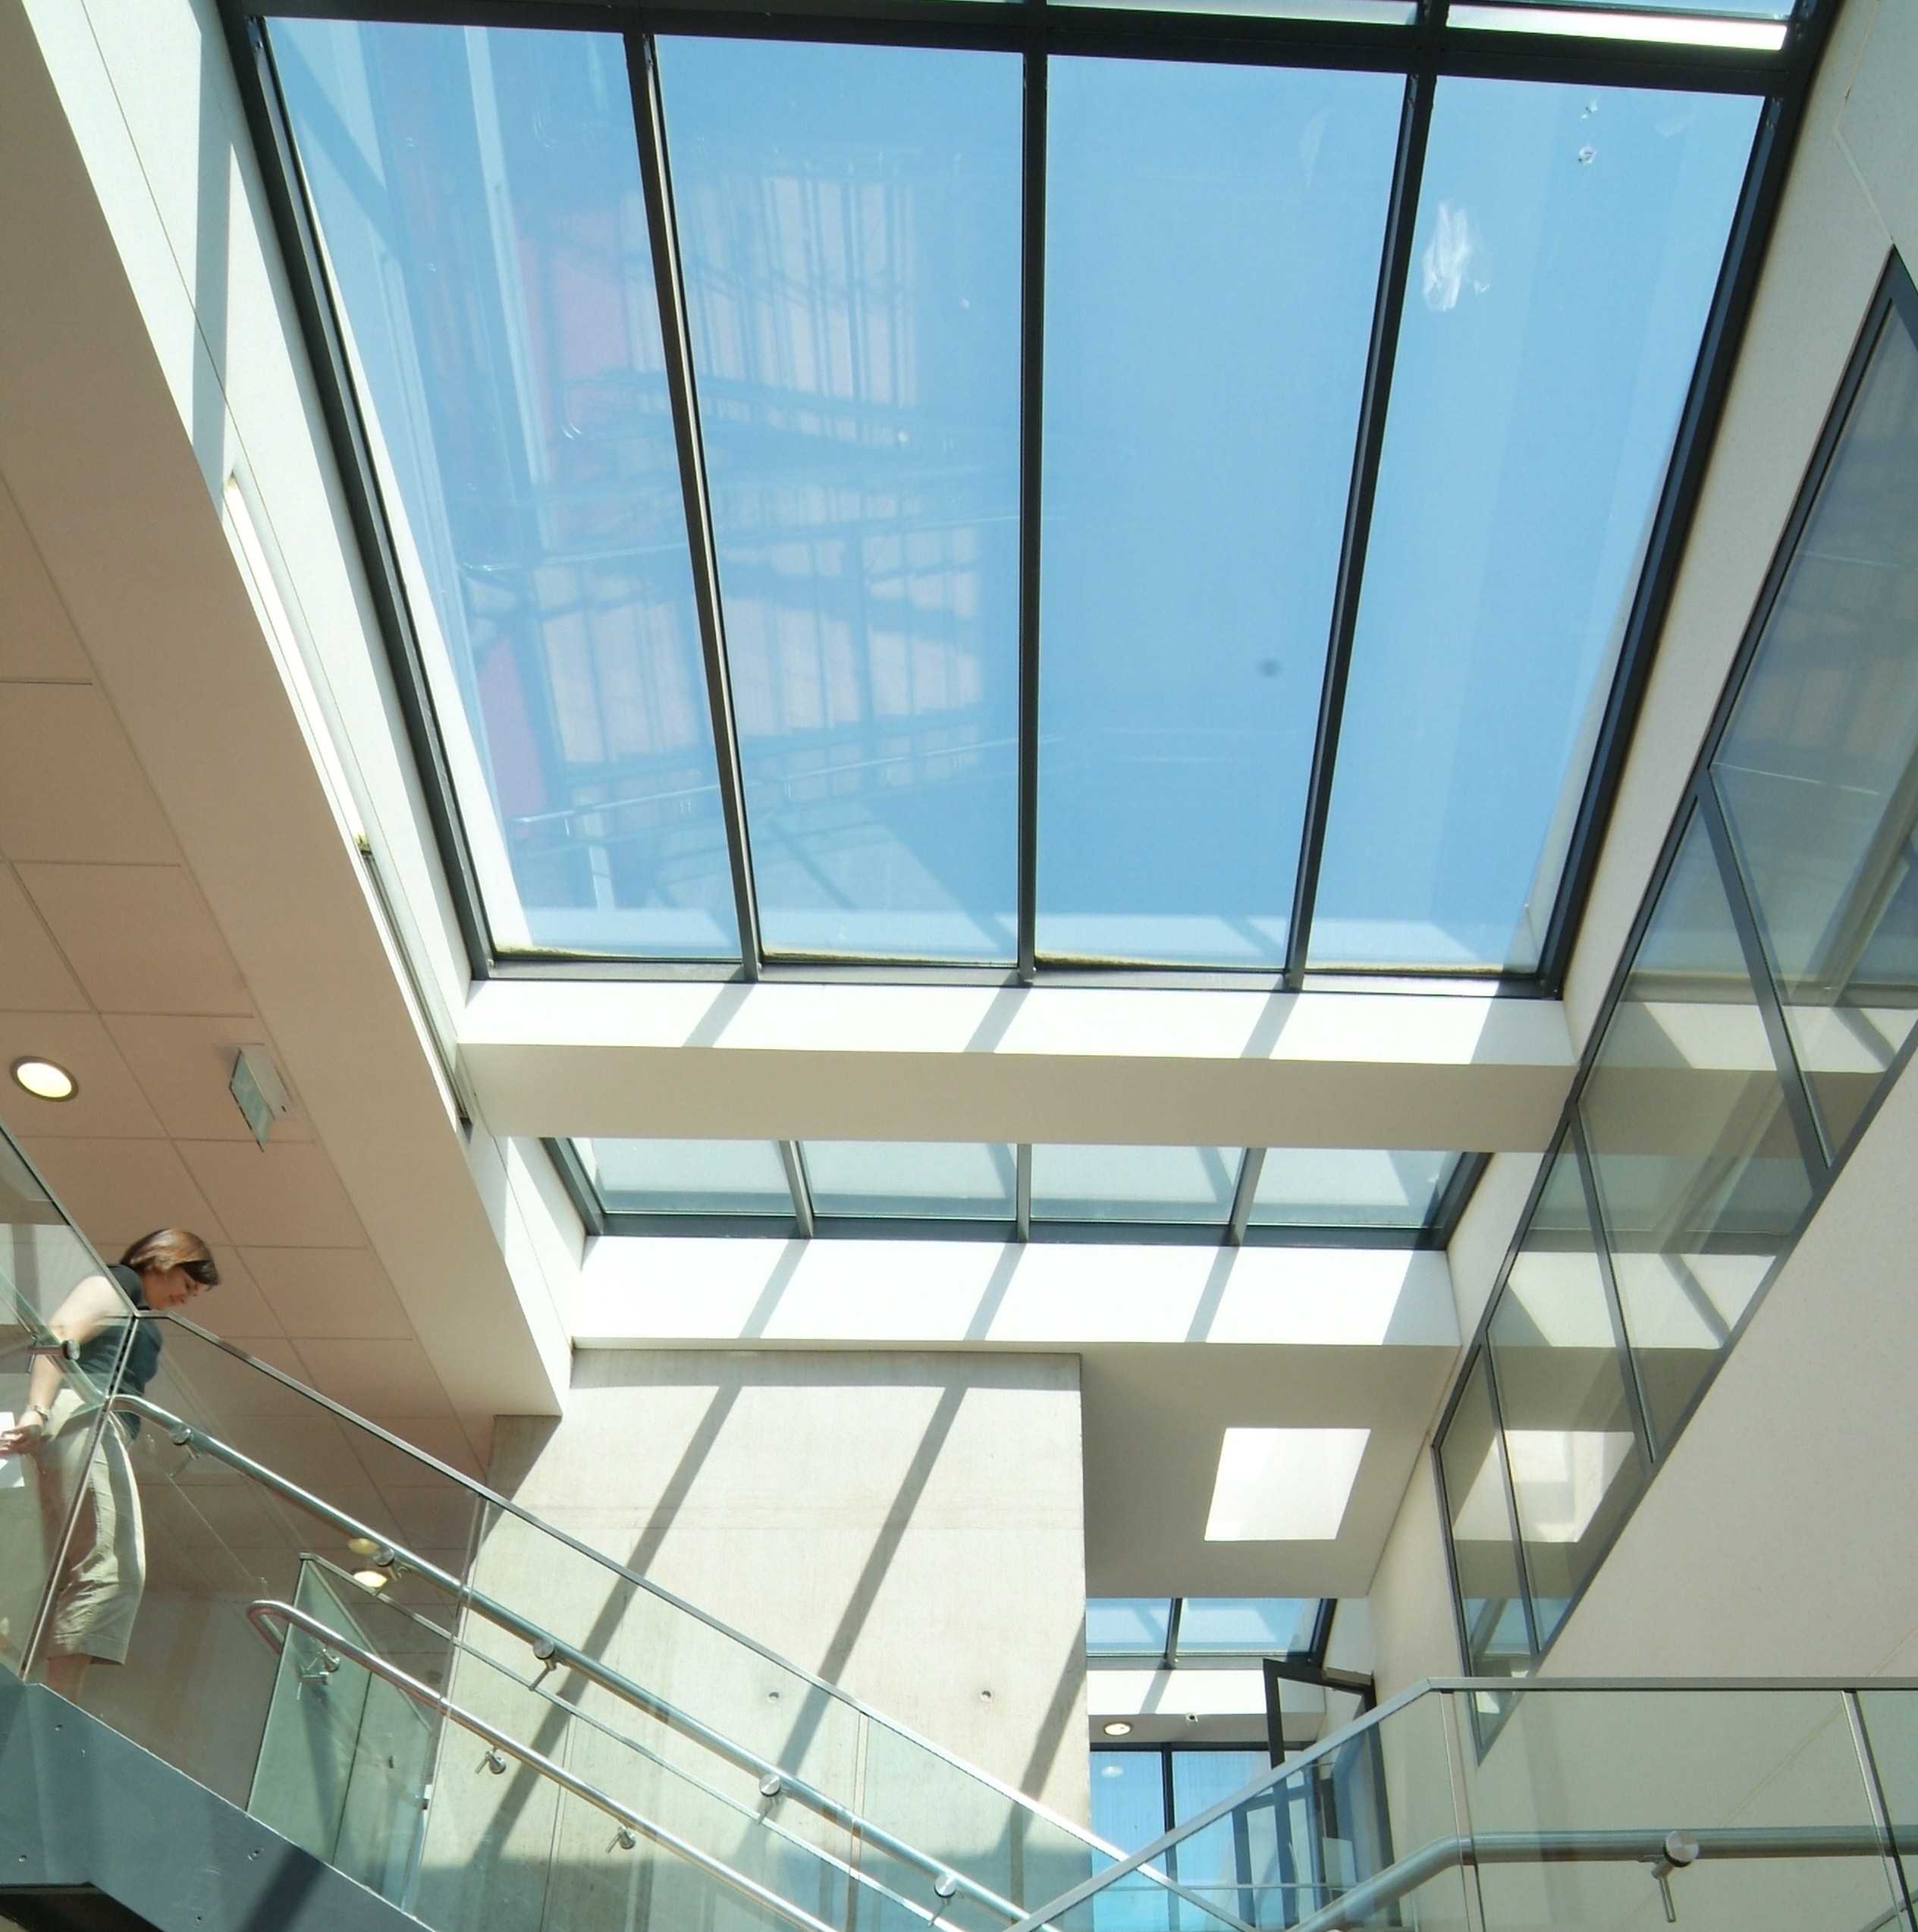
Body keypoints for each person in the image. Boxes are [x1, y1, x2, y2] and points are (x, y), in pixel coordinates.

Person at [0, 1230, 218, 1700]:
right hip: (83, 1414)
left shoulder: (133, 1305)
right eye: (188, 1282)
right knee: (114, 1564)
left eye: (196, 1294)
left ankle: (40, 1692)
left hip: (90, 1422)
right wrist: (36, 1412)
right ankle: (60, 1703)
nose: (187, 1298)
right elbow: (58, 1338)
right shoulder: (114, 1286)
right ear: (166, 1258)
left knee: (50, 1564)